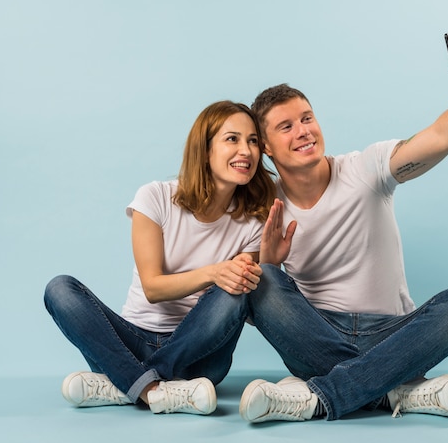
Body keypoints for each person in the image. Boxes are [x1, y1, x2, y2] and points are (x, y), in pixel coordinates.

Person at [239, 30, 448, 423]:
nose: (304, 132)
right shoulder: (264, 206)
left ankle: (320, 396)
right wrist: (271, 264)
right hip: (317, 336)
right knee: (258, 279)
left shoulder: (366, 168)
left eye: (307, 118)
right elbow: (228, 285)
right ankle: (392, 387)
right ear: (265, 148)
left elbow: (442, 138)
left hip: (393, 334)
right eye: (286, 127)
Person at [44, 100, 276, 415]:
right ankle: (154, 391)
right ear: (205, 150)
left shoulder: (253, 222)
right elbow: (153, 287)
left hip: (199, 355)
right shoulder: (155, 198)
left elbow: (235, 297)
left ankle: (126, 384)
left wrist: (255, 267)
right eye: (232, 139)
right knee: (59, 288)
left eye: (252, 141)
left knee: (237, 289)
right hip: (131, 342)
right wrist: (213, 272)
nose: (246, 151)